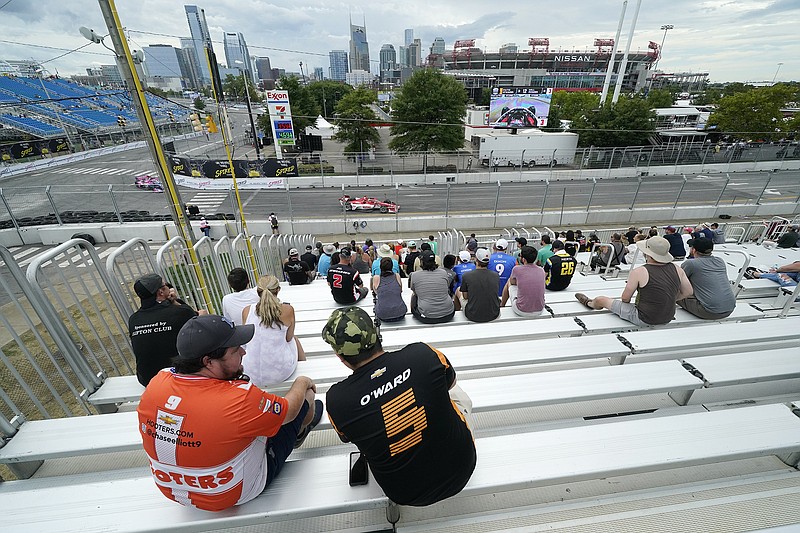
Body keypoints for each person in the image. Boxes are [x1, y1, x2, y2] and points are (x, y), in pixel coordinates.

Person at [137, 314, 322, 512]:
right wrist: (302, 382)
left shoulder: (158, 380)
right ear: (208, 362)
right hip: (232, 494)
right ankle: (300, 433)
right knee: (307, 397)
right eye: (235, 350)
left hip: (170, 488)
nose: (243, 351)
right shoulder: (240, 398)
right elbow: (289, 411)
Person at [322, 307, 476, 507]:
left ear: (340, 357)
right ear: (378, 335)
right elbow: (451, 383)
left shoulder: (336, 400)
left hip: (404, 493)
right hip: (462, 467)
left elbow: (348, 438)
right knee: (450, 393)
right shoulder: (423, 354)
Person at [575, 236, 693, 326]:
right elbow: (688, 291)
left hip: (643, 317)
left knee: (601, 299)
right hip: (668, 316)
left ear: (648, 254)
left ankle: (589, 303)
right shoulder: (677, 269)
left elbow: (625, 298)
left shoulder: (639, 271)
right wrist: (670, 300)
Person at [129, 273, 203, 386]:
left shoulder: (134, 319)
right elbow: (198, 320)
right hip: (177, 376)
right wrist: (175, 302)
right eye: (165, 285)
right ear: (161, 292)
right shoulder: (180, 312)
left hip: (147, 379)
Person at [241, 275, 305, 385]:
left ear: (257, 291)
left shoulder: (246, 311)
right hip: (280, 373)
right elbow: (289, 338)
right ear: (278, 290)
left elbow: (246, 340)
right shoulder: (287, 310)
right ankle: (305, 369)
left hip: (250, 372)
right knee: (294, 339)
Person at [677, 238, 736, 319]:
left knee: (673, 293)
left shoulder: (691, 264)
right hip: (730, 308)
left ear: (693, 250)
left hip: (709, 311)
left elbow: (678, 282)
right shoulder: (720, 261)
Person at [409, 250, 455, 324]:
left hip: (427, 316)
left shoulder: (414, 275)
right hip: (448, 314)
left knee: (414, 295)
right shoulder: (443, 273)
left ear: (422, 262)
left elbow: (415, 292)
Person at [501, 245, 545, 316]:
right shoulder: (541, 270)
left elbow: (512, 283)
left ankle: (502, 305)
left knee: (509, 281)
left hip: (521, 310)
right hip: (539, 309)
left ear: (523, 259)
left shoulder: (517, 269)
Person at [459, 248, 500, 323]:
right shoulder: (496, 275)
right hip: (494, 313)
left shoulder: (466, 275)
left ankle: (456, 310)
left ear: (476, 259)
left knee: (458, 291)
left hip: (473, 315)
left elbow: (465, 297)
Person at [372, 257, 407, 322]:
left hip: (383, 315)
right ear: (392, 266)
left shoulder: (376, 278)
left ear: (380, 267)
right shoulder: (397, 276)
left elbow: (376, 293)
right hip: (400, 313)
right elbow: (400, 290)